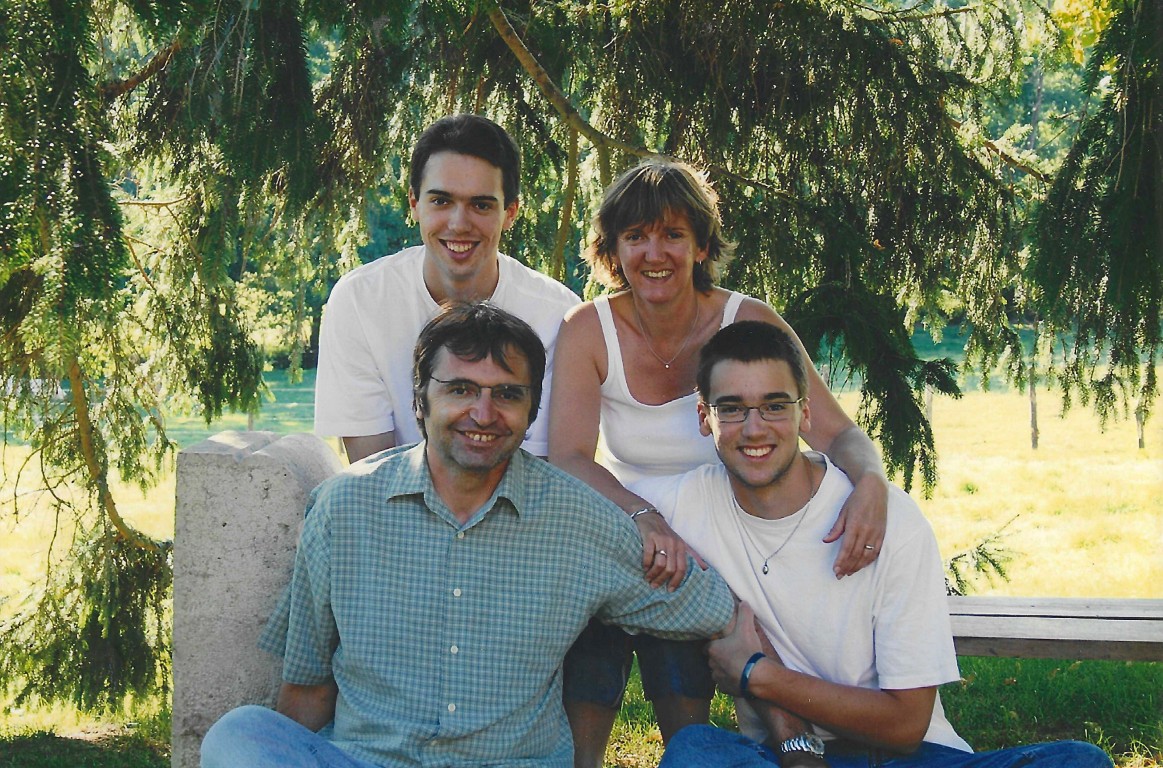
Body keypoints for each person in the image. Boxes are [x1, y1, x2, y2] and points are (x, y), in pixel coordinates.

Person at [201, 303, 737, 768]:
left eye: (506, 394)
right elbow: (308, 686)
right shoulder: (344, 510)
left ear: (531, 413)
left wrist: (757, 614)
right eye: (460, 389)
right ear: (421, 399)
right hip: (368, 760)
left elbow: (708, 605)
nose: (483, 413)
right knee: (240, 734)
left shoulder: (577, 520)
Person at [627, 320, 1112, 768]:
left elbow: (905, 725)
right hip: (783, 757)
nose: (755, 428)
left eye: (775, 406)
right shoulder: (686, 504)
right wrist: (644, 518)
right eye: (731, 408)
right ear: (703, 416)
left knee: (1080, 762)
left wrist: (757, 674)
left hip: (910, 757)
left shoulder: (885, 519)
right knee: (695, 751)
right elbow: (580, 489)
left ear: (806, 413)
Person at [548, 158, 890, 765]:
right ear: (612, 248)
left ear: (702, 244)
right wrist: (642, 516)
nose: (655, 253)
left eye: (674, 234)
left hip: (735, 521)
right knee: (600, 596)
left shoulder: (749, 320)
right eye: (636, 236)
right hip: (632, 523)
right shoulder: (588, 327)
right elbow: (569, 457)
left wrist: (871, 480)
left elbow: (836, 432)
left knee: (696, 581)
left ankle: (719, 746)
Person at [314, 113, 580, 462]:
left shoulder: (557, 314)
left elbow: (543, 472)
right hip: (395, 511)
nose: (459, 224)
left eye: (481, 205)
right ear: (414, 203)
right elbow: (372, 472)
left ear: (510, 212)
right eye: (441, 201)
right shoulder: (360, 301)